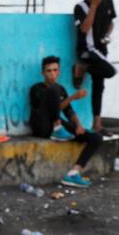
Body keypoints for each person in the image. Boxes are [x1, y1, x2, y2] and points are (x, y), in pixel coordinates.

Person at [29, 55, 100, 188]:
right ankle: (57, 129)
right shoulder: (36, 89)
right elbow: (50, 110)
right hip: (41, 126)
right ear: (43, 73)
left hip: (59, 124)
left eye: (55, 70)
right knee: (54, 89)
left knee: (95, 138)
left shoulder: (60, 89)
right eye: (49, 71)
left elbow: (68, 111)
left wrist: (79, 125)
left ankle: (73, 173)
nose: (52, 74)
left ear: (59, 72)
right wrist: (73, 97)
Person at [72, 0, 117, 133]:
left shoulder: (108, 1)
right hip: (87, 50)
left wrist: (106, 36)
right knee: (111, 71)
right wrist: (93, 6)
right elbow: (84, 29)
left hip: (101, 49)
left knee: (99, 85)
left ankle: (97, 123)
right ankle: (82, 68)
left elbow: (111, 22)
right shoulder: (80, 7)